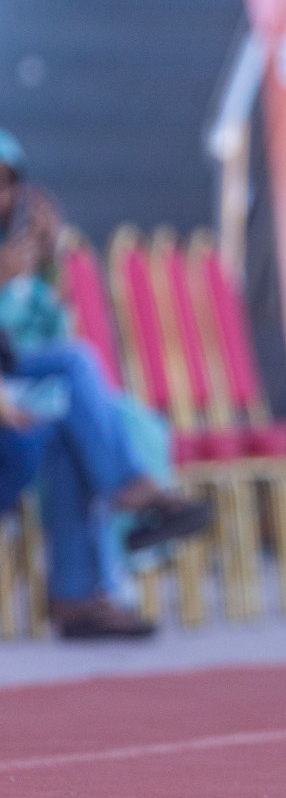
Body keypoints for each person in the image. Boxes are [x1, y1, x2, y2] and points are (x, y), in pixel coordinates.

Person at [0, 129, 209, 637]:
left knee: (67, 427)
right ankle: (130, 488)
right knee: (74, 366)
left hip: (14, 423)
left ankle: (76, 601)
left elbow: (27, 345)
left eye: (6, 185)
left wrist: (44, 271)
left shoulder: (18, 261)